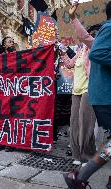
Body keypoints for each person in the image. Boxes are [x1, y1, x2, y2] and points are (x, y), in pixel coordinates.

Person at [64, 2, 111, 189]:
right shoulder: (108, 30)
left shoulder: (101, 36)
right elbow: (96, 52)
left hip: (97, 93)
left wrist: (73, 18)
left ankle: (81, 176)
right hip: (103, 95)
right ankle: (80, 175)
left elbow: (86, 38)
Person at [59, 2, 102, 164]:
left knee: (86, 125)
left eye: (94, 33)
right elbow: (70, 64)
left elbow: (84, 36)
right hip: (76, 90)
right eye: (92, 32)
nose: (92, 34)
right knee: (75, 123)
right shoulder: (80, 51)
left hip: (89, 89)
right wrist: (62, 52)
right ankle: (78, 155)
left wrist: (72, 17)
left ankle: (88, 156)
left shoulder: (94, 47)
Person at [0, 36, 17, 152]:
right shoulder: (0, 57)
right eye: (9, 42)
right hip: (1, 90)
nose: (12, 43)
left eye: (12, 41)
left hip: (14, 90)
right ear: (4, 45)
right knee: (1, 116)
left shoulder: (19, 55)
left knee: (12, 117)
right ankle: (1, 141)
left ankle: (11, 142)